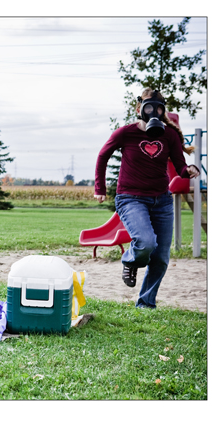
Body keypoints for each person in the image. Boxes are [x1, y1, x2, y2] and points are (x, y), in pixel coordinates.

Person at [94, 88, 200, 308]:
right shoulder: (125, 133)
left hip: (161, 200)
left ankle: (146, 304)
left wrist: (187, 170)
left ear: (163, 112)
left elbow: (179, 165)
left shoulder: (169, 135)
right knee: (145, 242)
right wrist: (100, 187)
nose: (154, 112)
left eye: (159, 109)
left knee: (160, 257)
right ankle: (130, 260)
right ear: (139, 108)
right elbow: (103, 155)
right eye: (149, 107)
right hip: (130, 198)